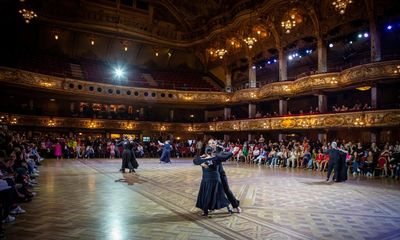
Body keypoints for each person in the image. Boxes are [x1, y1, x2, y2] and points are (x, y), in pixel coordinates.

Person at [193, 147, 230, 217]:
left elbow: (195, 161)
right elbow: (229, 154)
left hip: (206, 180)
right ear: (212, 152)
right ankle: (228, 208)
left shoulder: (201, 160)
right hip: (215, 179)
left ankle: (205, 211)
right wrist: (222, 151)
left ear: (206, 152)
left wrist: (201, 160)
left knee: (207, 195)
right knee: (219, 194)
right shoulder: (216, 159)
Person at [209, 140, 242, 213]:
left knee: (227, 190)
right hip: (213, 175)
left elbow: (223, 156)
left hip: (221, 174)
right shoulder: (208, 152)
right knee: (213, 191)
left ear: (215, 144)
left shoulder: (219, 152)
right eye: (210, 143)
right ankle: (211, 208)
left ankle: (236, 206)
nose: (212, 144)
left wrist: (232, 152)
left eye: (213, 143)